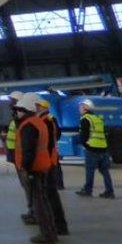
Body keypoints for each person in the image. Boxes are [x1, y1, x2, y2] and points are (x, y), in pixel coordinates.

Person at [15, 93, 57, 244]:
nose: (17, 111)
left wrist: (27, 169)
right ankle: (51, 230)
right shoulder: (38, 122)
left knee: (39, 202)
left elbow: (28, 151)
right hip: (42, 166)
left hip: (34, 168)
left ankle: (46, 234)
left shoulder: (28, 126)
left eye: (19, 109)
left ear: (25, 109)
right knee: (43, 200)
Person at [35, 98, 69, 236]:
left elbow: (46, 143)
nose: (35, 108)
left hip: (48, 162)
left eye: (37, 106)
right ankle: (58, 225)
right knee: (51, 194)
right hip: (51, 159)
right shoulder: (49, 119)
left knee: (50, 195)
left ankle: (58, 225)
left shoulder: (46, 120)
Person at [76, 99, 115, 199]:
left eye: (81, 106)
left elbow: (83, 135)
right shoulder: (98, 118)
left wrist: (85, 145)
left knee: (90, 171)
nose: (79, 109)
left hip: (92, 149)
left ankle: (87, 190)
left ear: (86, 108)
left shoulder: (85, 119)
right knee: (105, 171)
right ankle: (109, 192)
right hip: (103, 148)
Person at [6, 92, 34, 224]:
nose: (10, 104)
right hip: (16, 156)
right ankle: (32, 210)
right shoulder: (16, 119)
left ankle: (33, 212)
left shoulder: (24, 121)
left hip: (22, 158)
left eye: (12, 101)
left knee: (29, 186)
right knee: (26, 186)